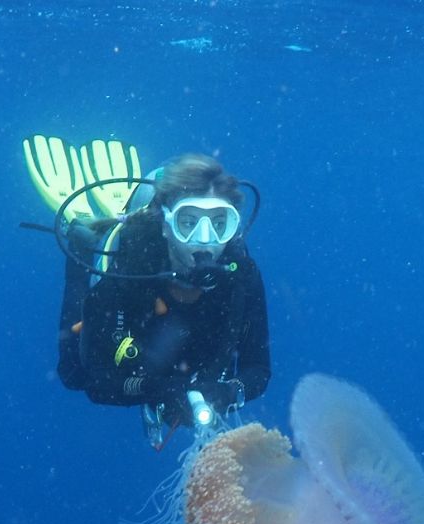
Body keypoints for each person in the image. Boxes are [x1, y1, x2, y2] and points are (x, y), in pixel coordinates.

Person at [38, 147, 272, 449]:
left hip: (183, 342)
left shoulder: (241, 275)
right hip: (139, 323)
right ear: (165, 223)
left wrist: (229, 392)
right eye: (188, 222)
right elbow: (97, 384)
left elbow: (259, 369)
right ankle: (85, 238)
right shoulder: (132, 266)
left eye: (218, 223)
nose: (205, 240)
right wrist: (155, 390)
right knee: (72, 372)